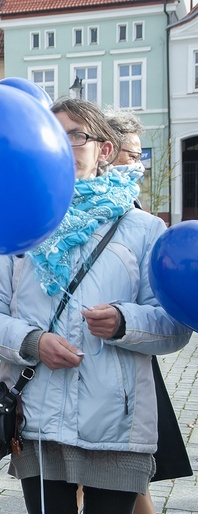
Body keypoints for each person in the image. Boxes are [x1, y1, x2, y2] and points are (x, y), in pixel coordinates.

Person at [0, 98, 192, 514]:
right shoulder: (13, 225)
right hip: (38, 424)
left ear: (104, 150)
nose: (62, 146)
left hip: (117, 428)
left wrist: (124, 321)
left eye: (76, 136)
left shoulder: (144, 229)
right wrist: (32, 341)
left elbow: (175, 327)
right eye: (51, 136)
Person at [106, 110, 193, 514]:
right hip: (105, 348)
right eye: (133, 154)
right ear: (107, 151)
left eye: (141, 155)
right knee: (118, 471)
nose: (139, 163)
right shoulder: (101, 206)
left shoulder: (133, 206)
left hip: (133, 340)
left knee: (131, 471)